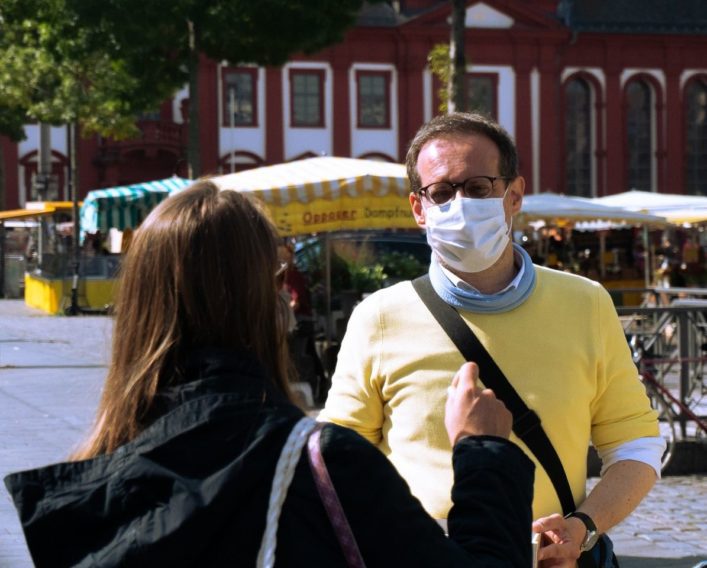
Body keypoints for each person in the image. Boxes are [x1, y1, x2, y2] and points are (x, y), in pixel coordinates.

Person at [4, 180, 535, 568]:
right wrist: (483, 451)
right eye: (276, 277)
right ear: (264, 299)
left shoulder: (93, 484)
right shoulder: (322, 465)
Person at [319, 112, 664, 567]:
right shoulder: (378, 317)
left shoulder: (586, 304)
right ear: (419, 209)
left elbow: (636, 445)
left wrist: (582, 529)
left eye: (478, 188)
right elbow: (335, 461)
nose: (459, 204)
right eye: (441, 192)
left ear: (513, 195)